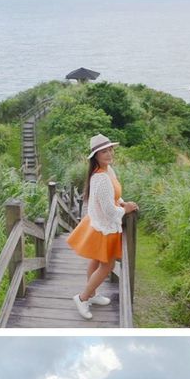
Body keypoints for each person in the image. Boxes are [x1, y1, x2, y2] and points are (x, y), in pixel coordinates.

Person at [65, 133, 138, 319]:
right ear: (95, 156)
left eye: (110, 149)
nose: (108, 153)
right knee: (107, 265)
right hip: (105, 226)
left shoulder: (107, 171)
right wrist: (126, 209)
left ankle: (92, 294)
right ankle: (82, 298)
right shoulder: (101, 177)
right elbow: (109, 211)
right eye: (103, 151)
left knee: (96, 261)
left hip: (100, 224)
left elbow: (114, 197)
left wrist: (122, 203)